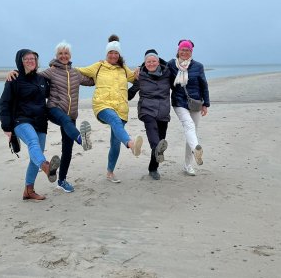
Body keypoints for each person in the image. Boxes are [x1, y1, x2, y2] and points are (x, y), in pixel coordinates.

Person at [7, 42, 95, 193]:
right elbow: (31, 75)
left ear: (70, 55)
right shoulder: (50, 72)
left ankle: (61, 181)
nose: (63, 56)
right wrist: (14, 72)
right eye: (60, 53)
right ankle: (81, 139)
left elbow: (92, 81)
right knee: (65, 121)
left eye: (66, 53)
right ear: (56, 56)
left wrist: (103, 70)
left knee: (67, 149)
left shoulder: (76, 73)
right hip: (54, 109)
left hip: (71, 112)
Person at [76, 35, 143, 183]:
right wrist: (57, 66)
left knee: (115, 142)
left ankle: (110, 172)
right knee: (113, 119)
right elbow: (77, 71)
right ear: (106, 54)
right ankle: (132, 145)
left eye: (116, 53)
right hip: (102, 105)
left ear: (119, 55)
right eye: (110, 53)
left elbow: (137, 78)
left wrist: (140, 70)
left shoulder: (123, 69)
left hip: (121, 108)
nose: (113, 55)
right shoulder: (98, 66)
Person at [0, 49, 60, 201]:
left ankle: (29, 190)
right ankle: (46, 167)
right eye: (27, 59)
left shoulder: (41, 80)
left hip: (40, 121)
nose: (30, 61)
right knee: (33, 143)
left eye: (33, 58)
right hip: (21, 121)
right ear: (20, 61)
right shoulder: (14, 79)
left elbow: (54, 89)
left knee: (35, 154)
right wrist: (6, 127)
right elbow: (4, 103)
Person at [168, 39, 210, 176]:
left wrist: (206, 104)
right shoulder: (171, 65)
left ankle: (188, 165)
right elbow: (155, 65)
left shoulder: (198, 66)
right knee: (189, 126)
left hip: (195, 102)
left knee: (191, 133)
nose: (184, 52)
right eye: (182, 49)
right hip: (179, 102)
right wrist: (140, 68)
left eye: (187, 50)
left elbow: (204, 85)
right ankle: (197, 149)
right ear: (178, 50)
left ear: (191, 52)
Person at [128, 49, 172, 180]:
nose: (151, 64)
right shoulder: (140, 75)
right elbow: (130, 93)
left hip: (163, 111)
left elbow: (179, 83)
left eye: (153, 61)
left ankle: (153, 169)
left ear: (158, 62)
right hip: (147, 109)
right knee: (152, 130)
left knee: (161, 139)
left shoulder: (168, 73)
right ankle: (156, 148)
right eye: (148, 61)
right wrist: (117, 96)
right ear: (144, 63)